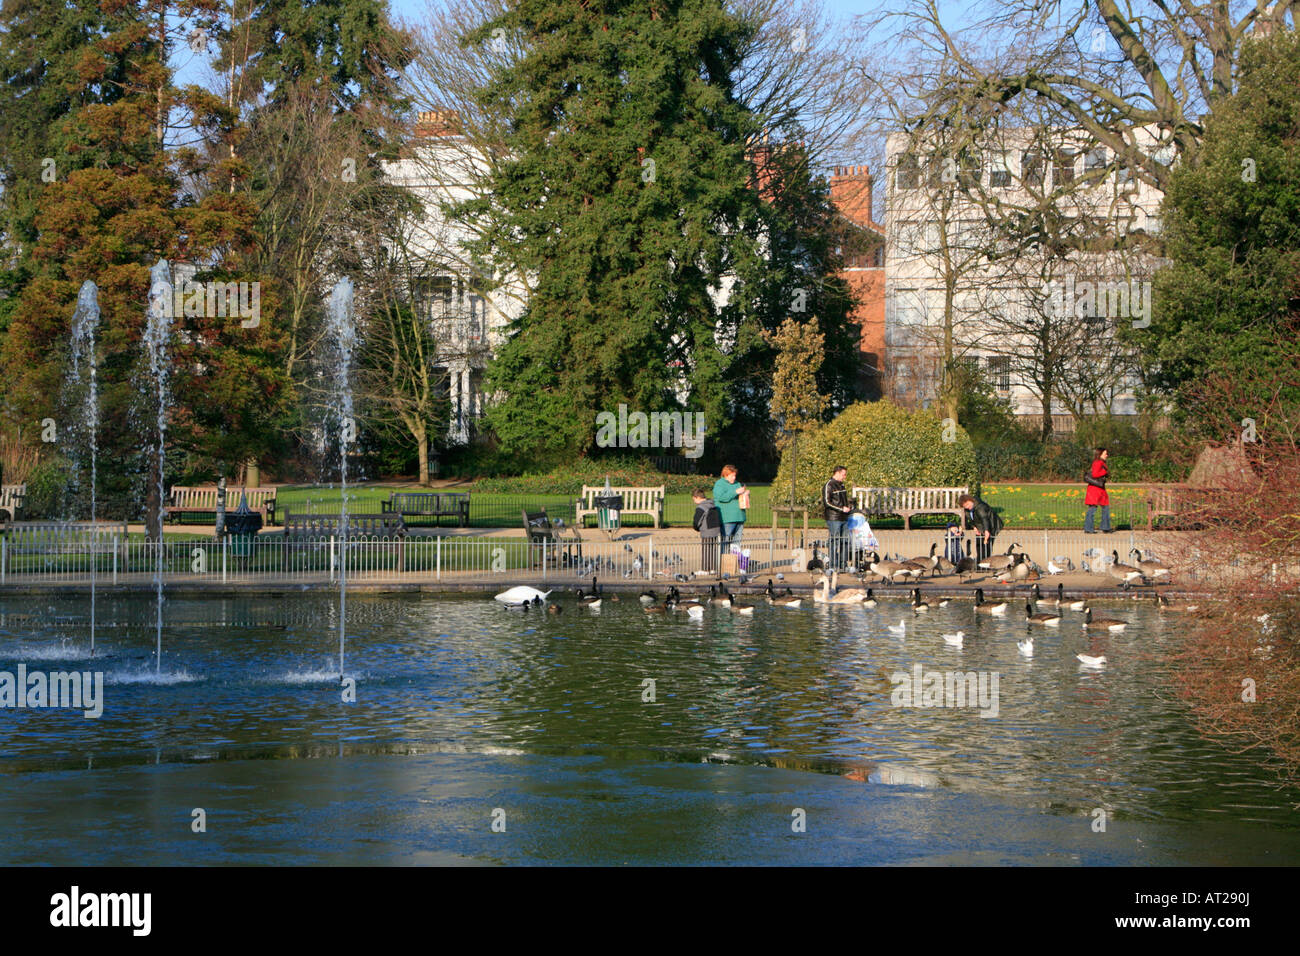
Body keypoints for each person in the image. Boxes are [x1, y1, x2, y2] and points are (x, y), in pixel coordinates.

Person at [822, 465, 852, 570]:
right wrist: (841, 509)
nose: (845, 477)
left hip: (844, 517)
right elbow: (827, 503)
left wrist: (849, 506)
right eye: (844, 474)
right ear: (837, 473)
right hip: (834, 518)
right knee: (834, 541)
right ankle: (833, 565)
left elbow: (843, 500)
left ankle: (843, 565)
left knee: (845, 541)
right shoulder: (829, 485)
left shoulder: (842, 485)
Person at [959, 492, 1003, 562]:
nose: (967, 507)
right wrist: (974, 527)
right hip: (980, 526)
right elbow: (971, 519)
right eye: (965, 506)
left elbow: (984, 519)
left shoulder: (980, 507)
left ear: (971, 500)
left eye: (967, 504)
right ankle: (980, 561)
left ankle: (986, 562)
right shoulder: (967, 510)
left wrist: (986, 531)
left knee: (986, 545)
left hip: (991, 525)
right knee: (979, 544)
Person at [712, 465, 747, 554]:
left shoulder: (737, 484)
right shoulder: (719, 484)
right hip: (727, 518)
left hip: (740, 517)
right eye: (732, 476)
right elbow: (721, 497)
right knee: (725, 541)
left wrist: (745, 494)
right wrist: (735, 492)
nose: (734, 478)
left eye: (735, 475)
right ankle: (723, 562)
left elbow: (740, 497)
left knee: (737, 543)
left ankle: (734, 563)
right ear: (726, 475)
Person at [691, 489, 722, 573]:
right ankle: (713, 568)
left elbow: (697, 521)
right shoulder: (713, 505)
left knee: (706, 550)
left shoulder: (701, 507)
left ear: (696, 497)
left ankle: (705, 569)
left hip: (707, 531)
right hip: (716, 530)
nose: (694, 501)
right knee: (713, 549)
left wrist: (696, 528)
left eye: (693, 499)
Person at [1084, 447, 1112, 533]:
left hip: (1099, 488)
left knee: (1104, 507)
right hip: (1096, 489)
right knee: (1093, 508)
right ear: (1100, 454)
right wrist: (1105, 472)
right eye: (1105, 453)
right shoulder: (1098, 463)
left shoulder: (1101, 462)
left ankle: (1102, 527)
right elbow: (1095, 474)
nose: (1107, 455)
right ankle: (1092, 528)